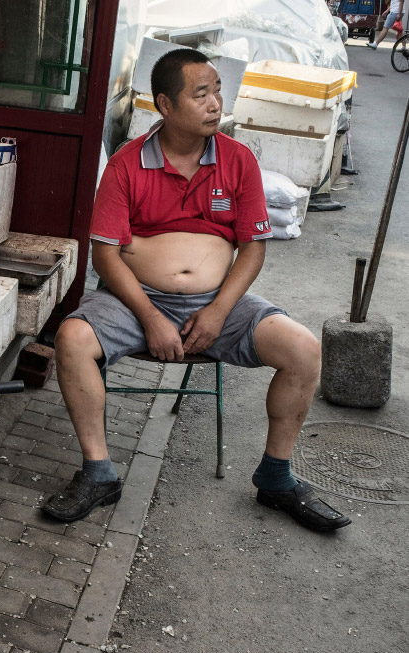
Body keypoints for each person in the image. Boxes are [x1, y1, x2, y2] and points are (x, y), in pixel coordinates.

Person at [41, 49, 351, 533]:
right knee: (71, 339)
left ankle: (277, 476)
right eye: (200, 93)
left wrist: (216, 312)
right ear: (165, 104)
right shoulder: (126, 165)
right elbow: (105, 255)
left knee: (304, 349)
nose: (215, 103)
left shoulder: (238, 160)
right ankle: (99, 472)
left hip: (216, 305)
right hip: (134, 298)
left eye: (217, 91)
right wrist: (150, 317)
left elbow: (252, 248)